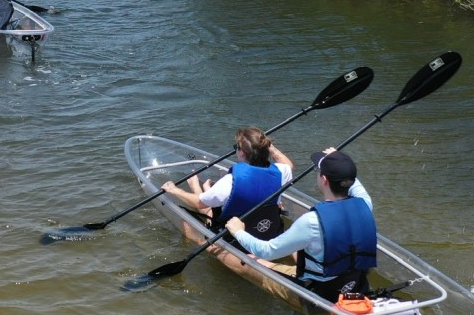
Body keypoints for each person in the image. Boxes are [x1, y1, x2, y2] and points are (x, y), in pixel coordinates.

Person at [224, 147, 377, 303]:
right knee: (302, 247)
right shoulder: (365, 203)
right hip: (354, 283)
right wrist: (338, 159)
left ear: (324, 180)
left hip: (319, 293)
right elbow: (353, 181)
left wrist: (238, 231)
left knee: (251, 258)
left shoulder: (311, 221)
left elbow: (267, 250)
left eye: (318, 171)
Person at [159, 126, 293, 239]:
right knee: (215, 197)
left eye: (237, 147)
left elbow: (199, 203)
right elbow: (287, 164)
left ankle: (195, 184)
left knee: (208, 207)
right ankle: (204, 188)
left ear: (242, 153)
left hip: (238, 234)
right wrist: (271, 148)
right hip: (268, 230)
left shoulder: (231, 181)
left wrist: (175, 190)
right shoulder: (281, 172)